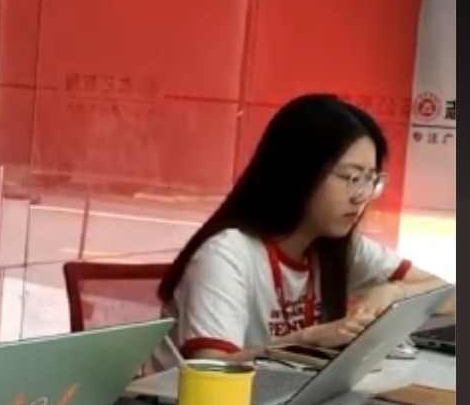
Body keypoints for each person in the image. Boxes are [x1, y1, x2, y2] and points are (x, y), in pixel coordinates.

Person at [159, 93, 454, 363]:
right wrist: (304, 341)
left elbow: (453, 296)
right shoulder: (227, 253)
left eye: (370, 179)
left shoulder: (338, 245)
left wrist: (393, 292)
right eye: (351, 178)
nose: (361, 196)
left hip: (280, 401)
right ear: (297, 172)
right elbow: (209, 370)